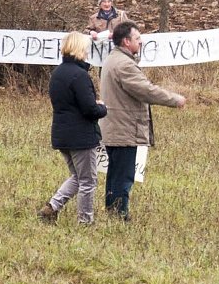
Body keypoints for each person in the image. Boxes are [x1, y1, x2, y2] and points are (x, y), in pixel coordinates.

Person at [99, 21, 185, 221]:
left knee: (115, 173)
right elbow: (146, 90)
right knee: (123, 175)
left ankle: (112, 212)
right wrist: (175, 99)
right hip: (124, 129)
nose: (141, 41)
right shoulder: (124, 65)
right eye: (137, 38)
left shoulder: (113, 59)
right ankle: (120, 215)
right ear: (126, 41)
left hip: (116, 127)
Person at [38, 32, 108, 225]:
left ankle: (51, 207)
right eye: (86, 47)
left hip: (62, 134)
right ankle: (85, 221)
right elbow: (89, 109)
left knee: (78, 177)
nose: (87, 51)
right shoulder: (80, 75)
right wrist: (102, 107)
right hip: (81, 136)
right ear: (79, 48)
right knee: (88, 181)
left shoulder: (57, 73)